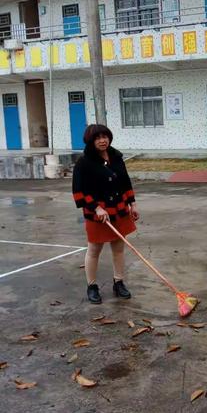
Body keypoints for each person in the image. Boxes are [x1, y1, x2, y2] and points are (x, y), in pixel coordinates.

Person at [72, 124, 139, 304]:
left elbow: (125, 182)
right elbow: (78, 191)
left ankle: (119, 283)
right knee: (94, 249)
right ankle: (92, 286)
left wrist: (132, 204)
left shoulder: (116, 157)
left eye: (105, 136)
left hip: (118, 209)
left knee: (118, 247)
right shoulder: (84, 162)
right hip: (98, 213)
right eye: (98, 137)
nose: (103, 140)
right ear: (91, 140)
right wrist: (96, 207)